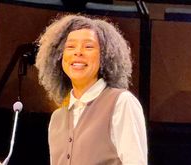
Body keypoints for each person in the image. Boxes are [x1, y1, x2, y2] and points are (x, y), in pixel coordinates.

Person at [35, 14, 147, 165]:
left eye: (88, 46)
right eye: (70, 47)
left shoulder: (121, 102)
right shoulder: (57, 118)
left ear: (105, 56)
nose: (78, 52)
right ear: (59, 56)